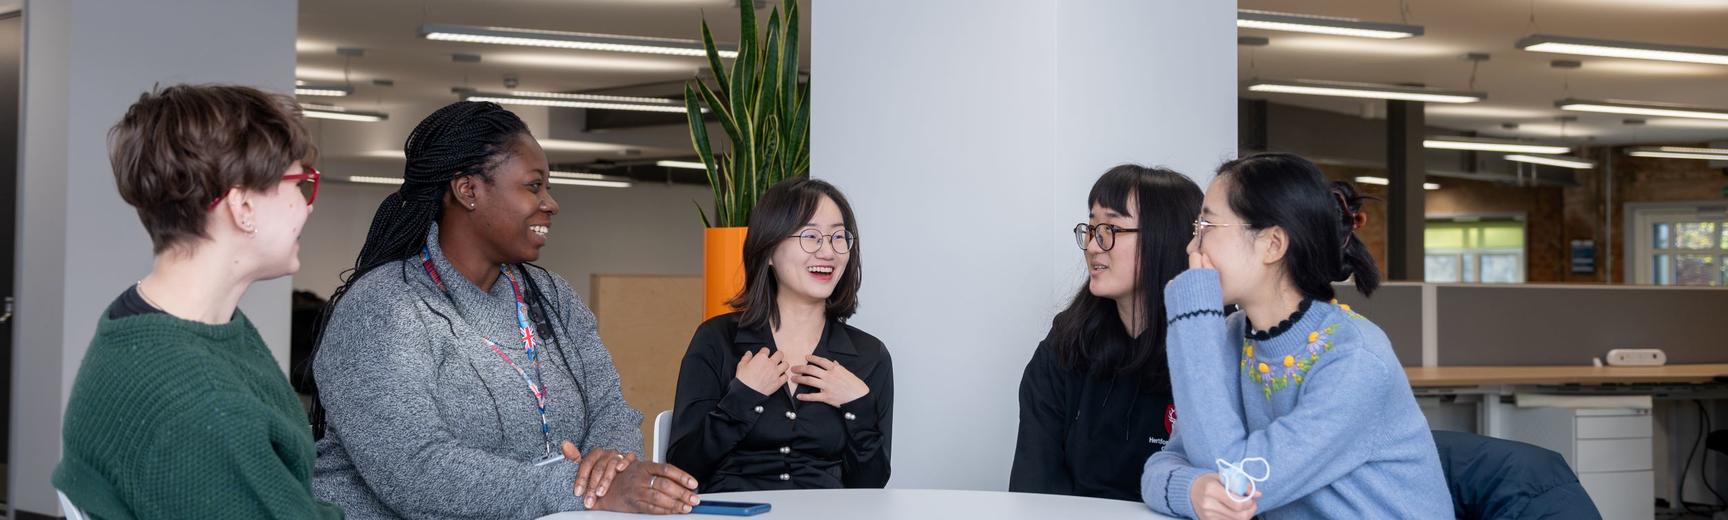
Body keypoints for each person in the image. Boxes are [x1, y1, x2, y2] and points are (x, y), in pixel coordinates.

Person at [310, 101, 699, 518]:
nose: (551, 204)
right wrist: (585, 489)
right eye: (534, 186)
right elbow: (420, 473)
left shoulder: (552, 297)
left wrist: (608, 466)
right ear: (468, 190)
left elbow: (610, 408)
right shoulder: (384, 308)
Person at [52, 84, 342, 519]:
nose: (307, 206)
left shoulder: (148, 320)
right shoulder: (201, 403)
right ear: (242, 205)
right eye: (299, 184)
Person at [1141, 152, 1450, 519]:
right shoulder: (1232, 334)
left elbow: (1238, 483)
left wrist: (1193, 315)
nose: (1193, 248)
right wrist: (1190, 489)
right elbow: (1169, 459)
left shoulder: (1354, 359)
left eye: (1207, 228)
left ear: (1272, 244)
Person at [668, 177, 892, 492]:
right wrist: (743, 396)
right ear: (770, 250)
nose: (828, 251)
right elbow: (681, 469)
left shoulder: (870, 356)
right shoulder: (717, 339)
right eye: (811, 236)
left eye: (839, 237)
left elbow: (869, 487)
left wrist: (858, 406)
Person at [1011, 164, 1202, 501]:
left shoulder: (1209, 350)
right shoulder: (1066, 344)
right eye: (1092, 227)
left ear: (1165, 238)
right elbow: (1033, 486)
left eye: (1111, 227)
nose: (1093, 246)